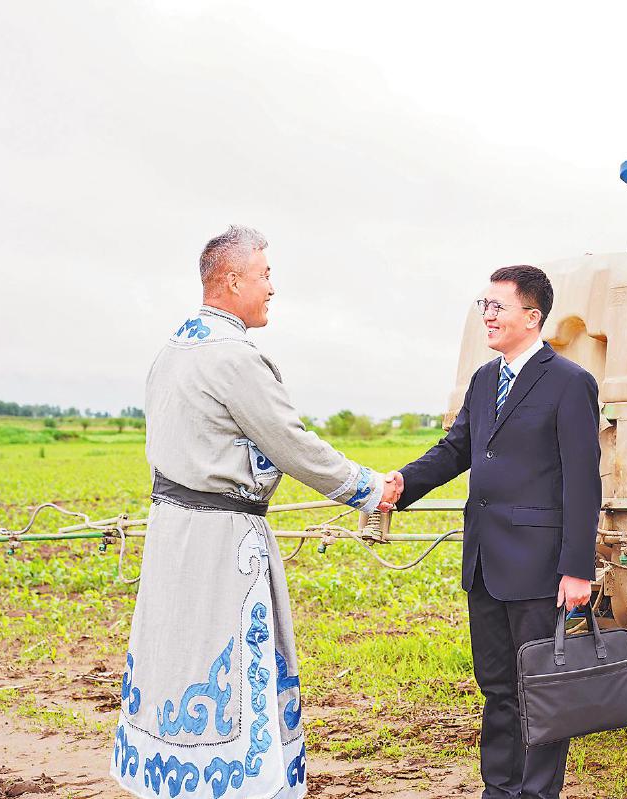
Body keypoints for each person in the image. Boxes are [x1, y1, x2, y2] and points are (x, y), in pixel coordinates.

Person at [110, 225, 396, 799]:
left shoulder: (171, 350)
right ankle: (235, 784)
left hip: (171, 531)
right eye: (265, 274)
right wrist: (368, 487)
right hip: (220, 541)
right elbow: (289, 442)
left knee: (176, 654)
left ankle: (171, 777)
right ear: (233, 280)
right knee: (229, 662)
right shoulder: (233, 357)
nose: (272, 287)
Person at [384, 265, 602, 799]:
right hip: (485, 561)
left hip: (540, 564)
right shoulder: (484, 380)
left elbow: (582, 480)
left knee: (540, 688)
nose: (487, 314)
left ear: (532, 316)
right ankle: (499, 789)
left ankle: (537, 792)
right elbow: (456, 449)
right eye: (484, 304)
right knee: (498, 687)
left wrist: (577, 568)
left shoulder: (570, 382)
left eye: (497, 306)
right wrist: (403, 483)